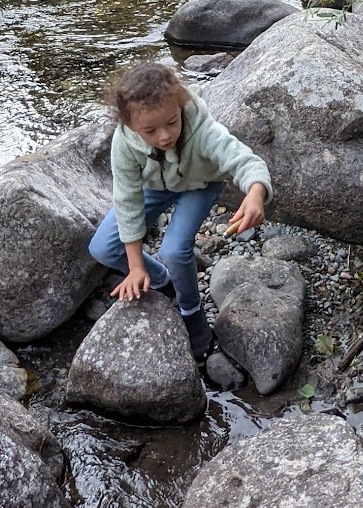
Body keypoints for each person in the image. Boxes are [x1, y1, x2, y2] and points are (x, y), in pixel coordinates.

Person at [89, 60, 271, 359]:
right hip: (154, 187)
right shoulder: (124, 142)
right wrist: (136, 267)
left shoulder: (201, 129)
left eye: (171, 122)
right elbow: (127, 200)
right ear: (129, 124)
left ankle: (191, 310)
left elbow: (243, 159)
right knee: (103, 249)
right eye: (150, 130)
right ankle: (163, 281)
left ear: (180, 106)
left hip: (198, 186)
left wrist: (254, 192)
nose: (164, 136)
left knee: (175, 250)